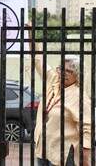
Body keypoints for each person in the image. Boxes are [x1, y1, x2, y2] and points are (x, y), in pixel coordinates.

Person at [27, 23, 91, 166]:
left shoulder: (80, 97)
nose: (63, 73)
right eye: (62, 68)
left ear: (77, 75)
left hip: (63, 154)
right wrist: (31, 35)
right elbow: (38, 59)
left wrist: (85, 158)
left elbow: (87, 128)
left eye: (69, 71)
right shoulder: (53, 80)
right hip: (43, 148)